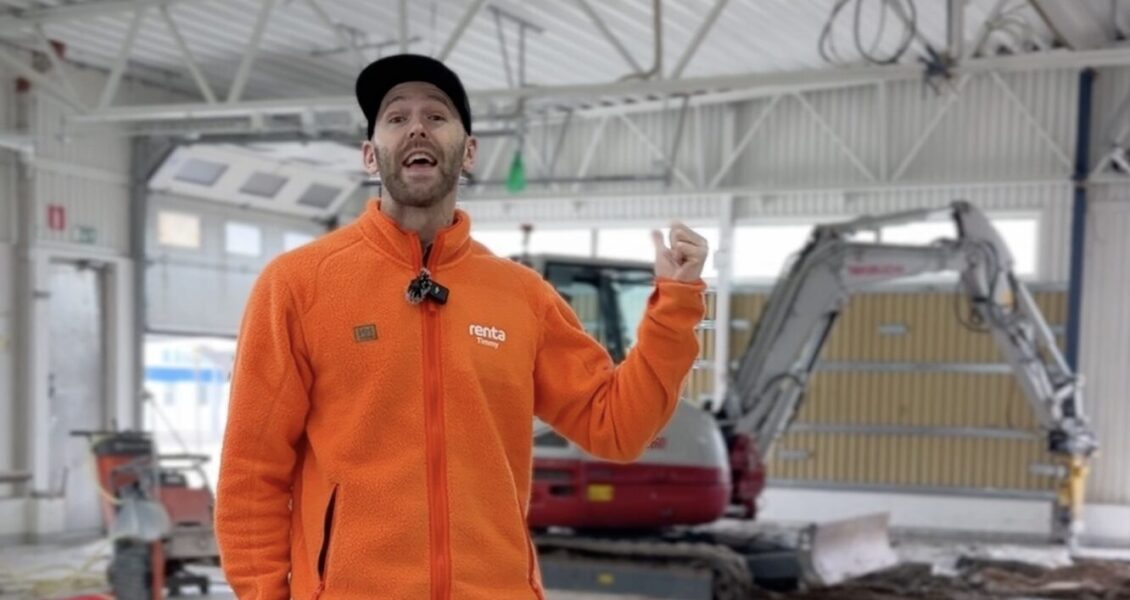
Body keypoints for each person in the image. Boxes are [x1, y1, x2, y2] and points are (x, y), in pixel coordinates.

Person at [214, 54, 709, 600]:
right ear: (370, 155)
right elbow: (252, 470)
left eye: (436, 116)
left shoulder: (521, 296)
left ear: (468, 151)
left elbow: (617, 427)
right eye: (396, 118)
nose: (417, 127)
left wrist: (674, 307)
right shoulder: (299, 285)